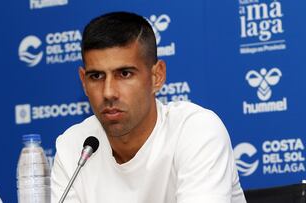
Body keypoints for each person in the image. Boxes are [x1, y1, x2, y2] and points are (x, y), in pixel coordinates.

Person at [51, 11, 246, 203]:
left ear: (157, 76)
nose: (108, 92)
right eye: (96, 76)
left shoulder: (195, 131)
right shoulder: (74, 147)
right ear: (83, 82)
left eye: (125, 74)